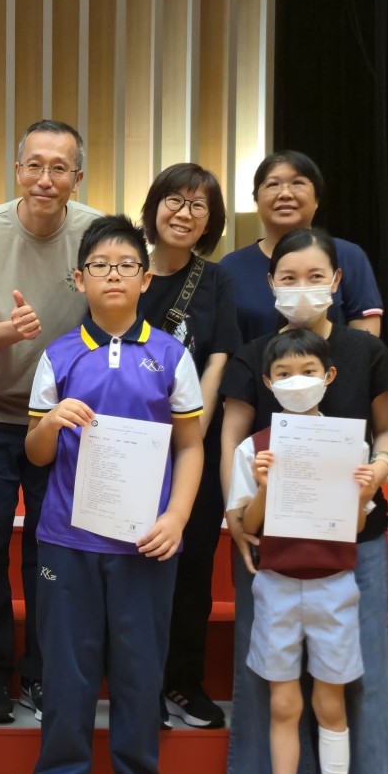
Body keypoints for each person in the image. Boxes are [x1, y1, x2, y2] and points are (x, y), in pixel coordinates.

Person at [218, 227, 388, 774]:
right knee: (272, 684)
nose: (303, 288)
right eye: (289, 277)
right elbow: (234, 438)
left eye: (316, 276)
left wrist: (378, 469)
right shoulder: (254, 355)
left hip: (349, 544)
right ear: (270, 283)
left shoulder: (365, 351)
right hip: (273, 545)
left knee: (354, 677)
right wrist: (236, 514)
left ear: (338, 280)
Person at [23, 215, 205, 774]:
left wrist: (177, 517)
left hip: (145, 545)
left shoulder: (173, 355)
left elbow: (191, 446)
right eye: (100, 265)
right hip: (68, 542)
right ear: (80, 279)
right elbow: (35, 453)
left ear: (146, 278)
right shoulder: (59, 354)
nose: (114, 275)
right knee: (66, 677)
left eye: (126, 265)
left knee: (139, 674)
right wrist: (52, 424)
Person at [0, 118, 104, 724]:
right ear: (18, 170)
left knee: (52, 545)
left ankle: (43, 671)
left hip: (66, 420)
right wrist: (8, 331)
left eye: (58, 168)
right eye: (34, 165)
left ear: (77, 176)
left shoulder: (95, 234)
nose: (45, 178)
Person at [226, 329, 376, 774]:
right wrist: (266, 484)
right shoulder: (253, 447)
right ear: (267, 383)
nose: (297, 382)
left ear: (329, 377)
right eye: (284, 374)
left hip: (335, 584)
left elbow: (354, 526)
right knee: (284, 703)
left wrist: (363, 492)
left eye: (308, 371)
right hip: (277, 584)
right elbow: (248, 524)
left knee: (331, 703)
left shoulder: (349, 443)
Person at [135, 163, 242, 729]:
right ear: (154, 207)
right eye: (174, 200)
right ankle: (140, 684)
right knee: (134, 563)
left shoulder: (216, 280)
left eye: (199, 205)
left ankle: (183, 678)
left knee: (193, 562)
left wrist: (192, 426)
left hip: (190, 443)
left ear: (210, 221)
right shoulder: (127, 267)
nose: (184, 212)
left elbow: (219, 354)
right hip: (129, 442)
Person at [218, 150, 385, 342]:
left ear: (317, 200)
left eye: (297, 183)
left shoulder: (348, 256)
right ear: (256, 200)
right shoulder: (231, 267)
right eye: (273, 184)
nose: (285, 194)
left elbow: (366, 342)